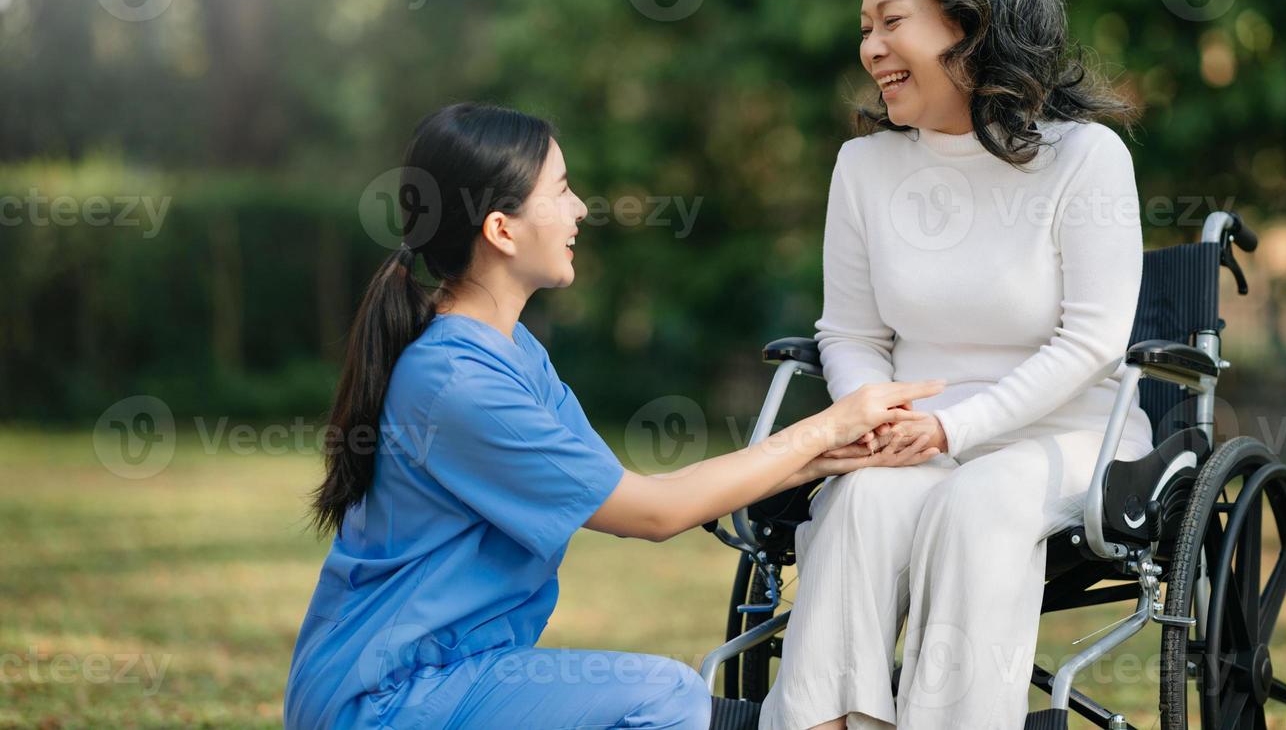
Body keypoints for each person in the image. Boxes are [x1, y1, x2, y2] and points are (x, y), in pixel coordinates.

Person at [283, 102, 945, 730]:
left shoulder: (514, 353)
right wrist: (826, 425)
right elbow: (650, 513)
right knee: (663, 694)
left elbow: (637, 491)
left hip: (452, 678)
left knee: (667, 696)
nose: (578, 209)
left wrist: (830, 453)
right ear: (501, 229)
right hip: (386, 700)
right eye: (561, 189)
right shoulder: (458, 382)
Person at [758, 0, 1157, 730]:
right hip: (914, 434)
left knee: (983, 503)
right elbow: (854, 334)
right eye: (865, 26)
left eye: (891, 21)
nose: (870, 47)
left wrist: (955, 430)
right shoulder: (863, 168)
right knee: (862, 501)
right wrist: (878, 416)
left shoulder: (1085, 159)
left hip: (1069, 431)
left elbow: (1090, 342)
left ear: (971, 22)